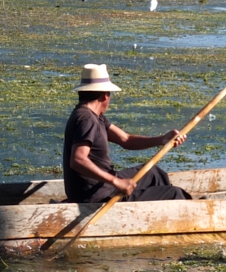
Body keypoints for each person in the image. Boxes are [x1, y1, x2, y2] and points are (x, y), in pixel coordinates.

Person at [62, 63, 191, 203]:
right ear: (105, 96)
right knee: (175, 194)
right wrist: (116, 181)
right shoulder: (86, 119)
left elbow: (126, 139)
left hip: (103, 186)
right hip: (97, 194)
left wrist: (162, 139)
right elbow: (78, 160)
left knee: (153, 173)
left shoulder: (94, 116)